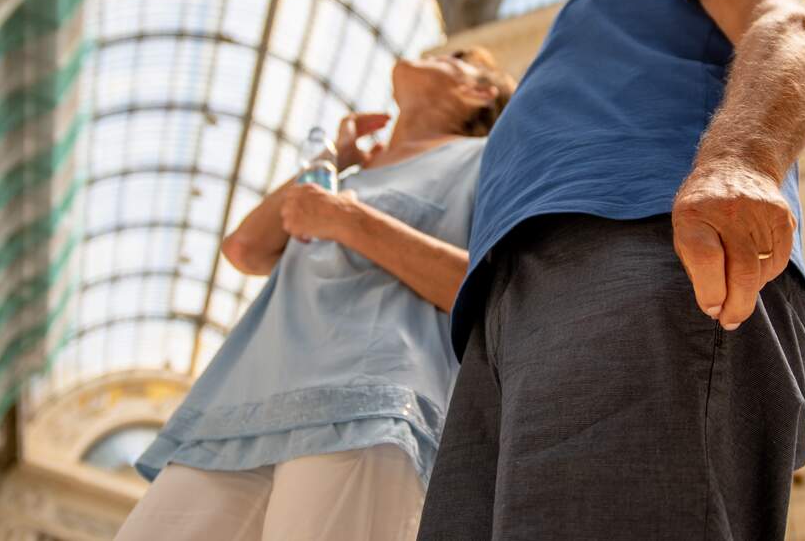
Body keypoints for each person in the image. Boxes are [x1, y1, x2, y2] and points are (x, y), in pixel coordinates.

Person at [418, 0, 805, 540]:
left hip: (649, 249)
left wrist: (742, 162)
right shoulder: (592, 7)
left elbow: (786, 30)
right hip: (514, 305)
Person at [115, 48, 515, 541]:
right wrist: (334, 161)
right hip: (242, 408)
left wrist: (347, 221)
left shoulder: (485, 160)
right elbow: (245, 248)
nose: (431, 53)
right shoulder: (344, 177)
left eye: (454, 58)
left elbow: (485, 292)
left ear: (480, 92)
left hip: (367, 406)